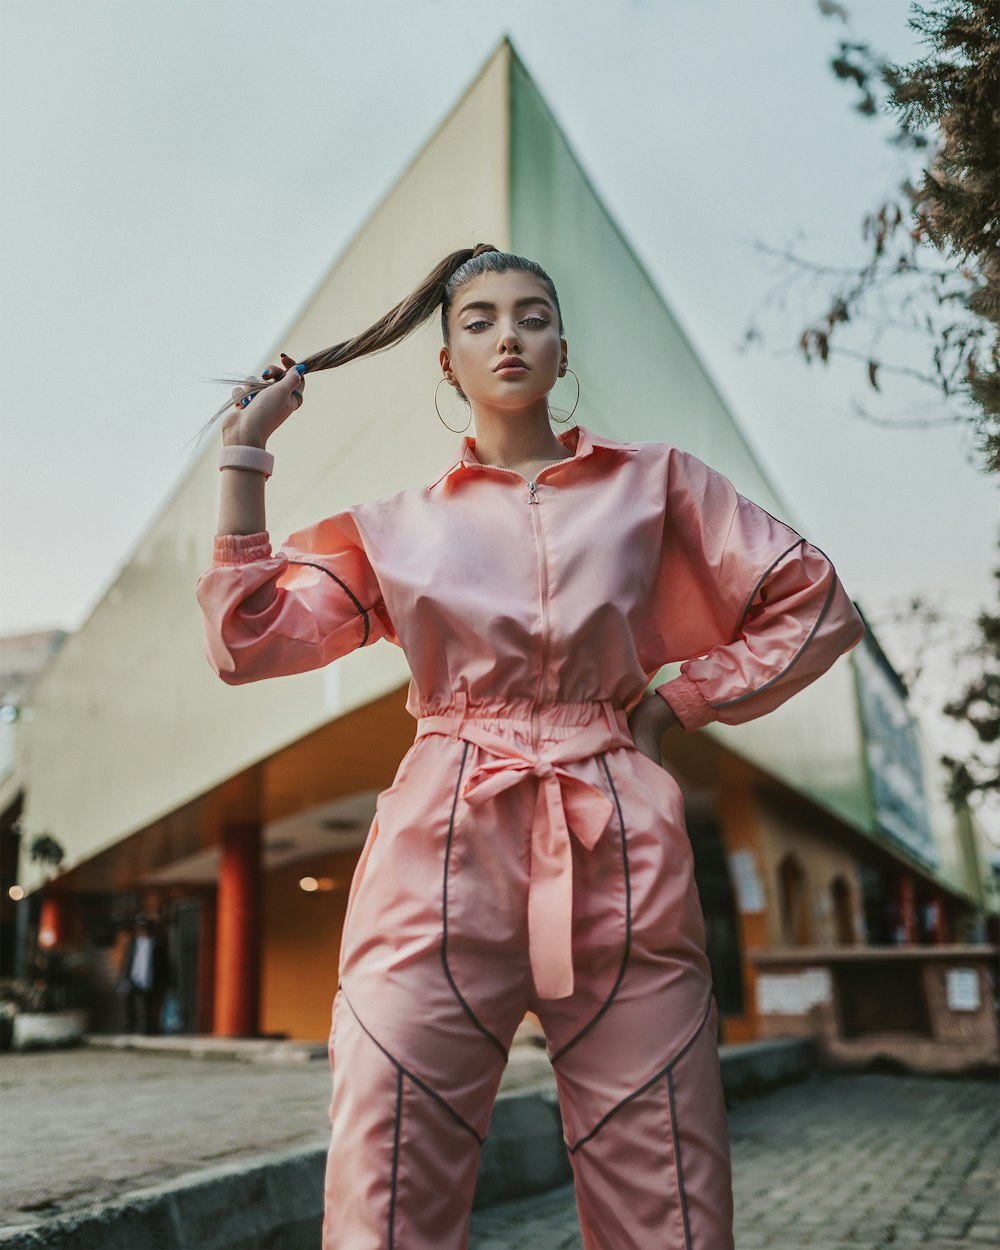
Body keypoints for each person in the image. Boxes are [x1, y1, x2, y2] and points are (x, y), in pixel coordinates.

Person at [194, 245, 865, 1250]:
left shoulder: (658, 484)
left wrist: (673, 702)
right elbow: (247, 639)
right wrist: (244, 457)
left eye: (533, 315)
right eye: (478, 320)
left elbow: (812, 603)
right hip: (437, 847)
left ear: (561, 349)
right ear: (446, 364)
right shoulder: (394, 529)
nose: (508, 333)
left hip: (619, 834)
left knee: (668, 1180)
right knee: (384, 1173)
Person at [117, 913, 169, 1035]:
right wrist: (124, 976)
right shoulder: (133, 943)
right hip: (134, 977)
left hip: (150, 978)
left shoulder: (158, 942)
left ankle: (148, 1029)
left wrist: (166, 981)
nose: (142, 930)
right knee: (128, 1000)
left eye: (144, 927)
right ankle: (130, 1025)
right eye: (139, 927)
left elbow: (164, 963)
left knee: (148, 1005)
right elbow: (128, 960)